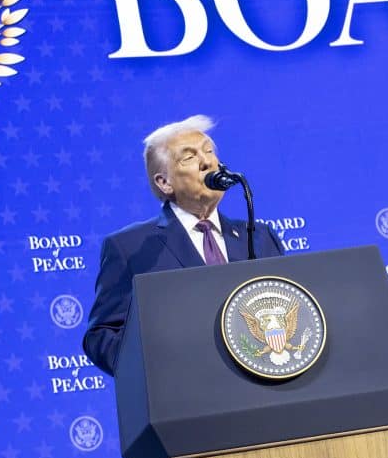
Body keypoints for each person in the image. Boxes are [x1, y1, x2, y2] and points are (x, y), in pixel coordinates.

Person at [82, 114, 284, 376]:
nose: (207, 162)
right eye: (189, 157)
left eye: (209, 152)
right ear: (164, 182)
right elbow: (103, 336)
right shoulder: (130, 248)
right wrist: (159, 371)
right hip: (186, 400)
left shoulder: (259, 237)